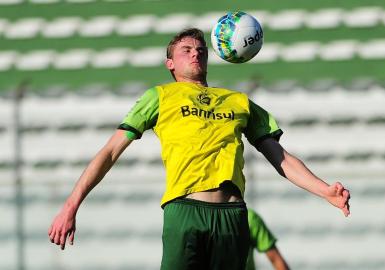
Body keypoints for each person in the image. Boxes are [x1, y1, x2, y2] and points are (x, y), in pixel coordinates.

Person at [48, 28, 350, 270]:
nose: (196, 54)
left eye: (201, 50)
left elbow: (279, 156)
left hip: (231, 215)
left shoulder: (238, 101)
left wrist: (325, 191)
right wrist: (71, 206)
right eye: (186, 50)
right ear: (171, 63)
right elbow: (110, 151)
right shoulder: (160, 96)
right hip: (185, 211)